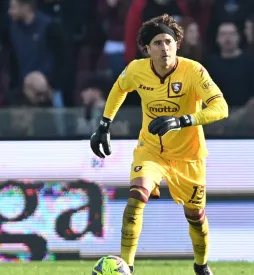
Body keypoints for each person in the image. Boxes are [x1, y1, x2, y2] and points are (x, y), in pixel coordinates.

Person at [90, 14, 228, 275]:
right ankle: (126, 268)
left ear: (177, 44)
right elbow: (119, 89)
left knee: (196, 218)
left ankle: (201, 266)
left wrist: (183, 120)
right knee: (135, 200)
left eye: (169, 41)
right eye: (157, 43)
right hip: (151, 150)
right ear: (146, 49)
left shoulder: (193, 71)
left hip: (189, 156)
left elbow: (221, 108)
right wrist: (104, 124)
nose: (164, 48)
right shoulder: (136, 70)